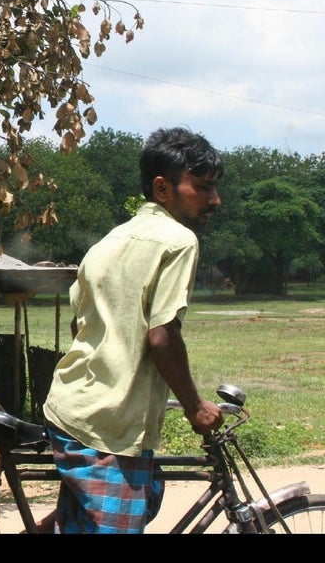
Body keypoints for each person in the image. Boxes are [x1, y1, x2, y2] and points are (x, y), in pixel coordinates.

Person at [42, 126, 226, 534]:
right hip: (106, 426)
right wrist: (195, 407)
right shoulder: (179, 241)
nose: (215, 199)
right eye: (203, 187)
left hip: (74, 409)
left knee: (131, 502)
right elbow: (162, 336)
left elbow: (80, 324)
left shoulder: (108, 241)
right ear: (163, 188)